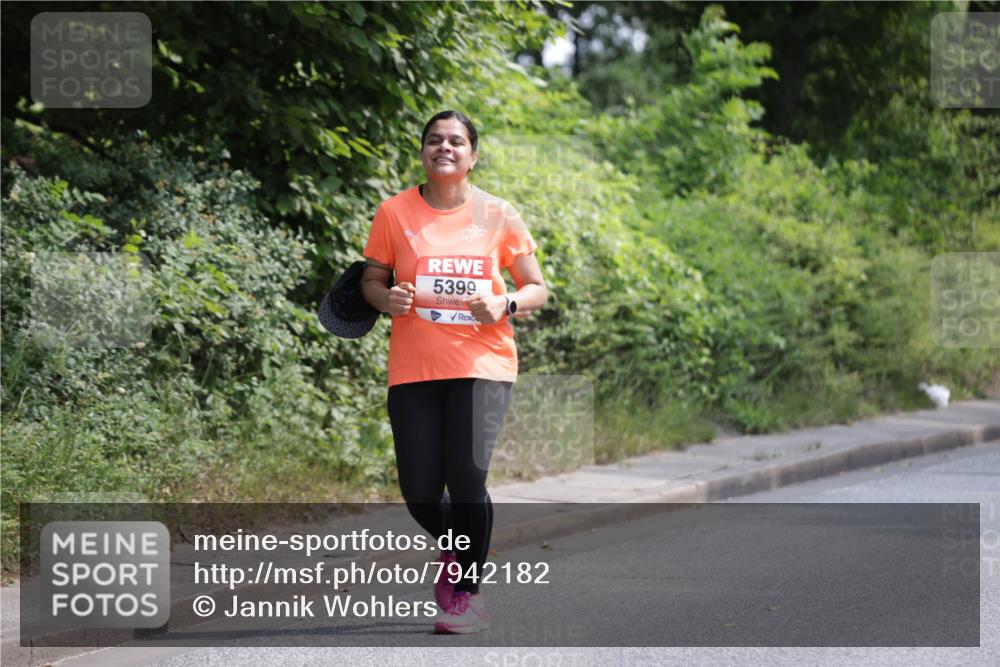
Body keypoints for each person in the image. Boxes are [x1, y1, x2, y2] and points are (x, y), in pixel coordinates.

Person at [360, 110, 547, 634]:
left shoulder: (498, 214)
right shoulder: (394, 212)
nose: (445, 147)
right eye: (435, 140)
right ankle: (456, 547)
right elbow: (371, 281)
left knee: (467, 478)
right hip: (415, 368)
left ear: (473, 155)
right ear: (422, 151)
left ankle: (466, 595)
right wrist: (387, 298)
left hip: (483, 364)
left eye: (457, 141)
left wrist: (506, 302)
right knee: (420, 490)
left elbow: (537, 287)